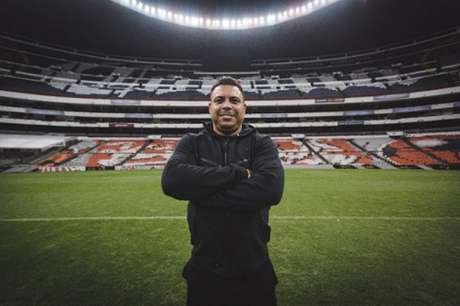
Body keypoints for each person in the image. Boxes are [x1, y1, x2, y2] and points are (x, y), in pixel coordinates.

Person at [161, 76, 284, 306]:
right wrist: (236, 173)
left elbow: (271, 189)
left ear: (244, 108)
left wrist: (200, 191)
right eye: (219, 100)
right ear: (210, 107)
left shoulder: (262, 144)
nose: (227, 105)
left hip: (254, 269)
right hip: (204, 269)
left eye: (234, 100)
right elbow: (171, 181)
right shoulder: (191, 142)